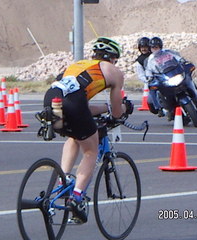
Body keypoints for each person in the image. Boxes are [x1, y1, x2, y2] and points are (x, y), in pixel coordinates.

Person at [43, 37, 133, 223]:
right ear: (113, 58)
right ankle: (76, 197)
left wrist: (103, 108)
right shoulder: (114, 72)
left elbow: (78, 105)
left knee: (74, 135)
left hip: (51, 97)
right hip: (73, 103)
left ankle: (64, 179)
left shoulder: (79, 65)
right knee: (91, 150)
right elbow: (117, 113)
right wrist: (125, 108)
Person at [145, 37, 197, 119]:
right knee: (156, 89)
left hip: (174, 72)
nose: (155, 49)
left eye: (156, 47)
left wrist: (183, 60)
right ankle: (162, 108)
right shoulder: (150, 59)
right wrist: (149, 76)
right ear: (150, 48)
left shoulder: (167, 52)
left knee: (188, 76)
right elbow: (148, 69)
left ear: (160, 46)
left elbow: (177, 57)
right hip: (163, 77)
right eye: (153, 47)